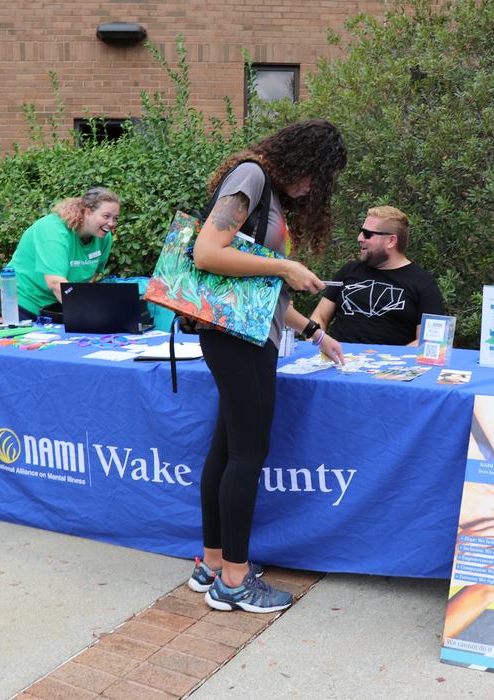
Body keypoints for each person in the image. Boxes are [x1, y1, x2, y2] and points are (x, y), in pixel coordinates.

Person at [188, 119, 347, 613]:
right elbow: (208, 252)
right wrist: (285, 266)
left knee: (228, 448)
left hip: (243, 332)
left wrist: (313, 332)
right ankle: (235, 579)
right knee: (248, 453)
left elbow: (262, 295)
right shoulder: (252, 177)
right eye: (317, 176)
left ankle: (213, 562)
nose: (314, 189)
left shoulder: (267, 192)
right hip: (235, 338)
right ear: (304, 161)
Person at [308, 205, 443, 346]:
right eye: (361, 232)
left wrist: (392, 360)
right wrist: (314, 341)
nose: (359, 238)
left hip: (389, 365)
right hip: (338, 359)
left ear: (391, 241)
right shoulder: (349, 271)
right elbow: (320, 317)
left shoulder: (423, 282)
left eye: (367, 234)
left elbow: (429, 340)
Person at [5, 187, 120, 320]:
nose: (111, 223)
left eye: (115, 218)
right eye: (106, 216)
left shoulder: (104, 237)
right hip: (25, 301)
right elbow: (55, 282)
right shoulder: (53, 231)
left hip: (59, 303)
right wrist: (87, 316)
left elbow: (93, 276)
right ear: (88, 212)